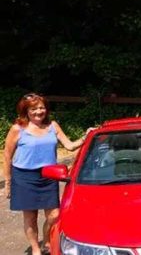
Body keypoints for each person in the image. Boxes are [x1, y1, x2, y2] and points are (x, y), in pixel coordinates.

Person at [3, 93, 93, 255]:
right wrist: (8, 182)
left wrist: (86, 136)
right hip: (24, 177)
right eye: (34, 108)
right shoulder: (18, 128)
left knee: (54, 215)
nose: (39, 111)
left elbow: (70, 146)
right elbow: (8, 155)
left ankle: (46, 240)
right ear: (26, 110)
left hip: (49, 175)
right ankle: (36, 249)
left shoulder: (53, 126)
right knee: (30, 217)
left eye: (41, 107)